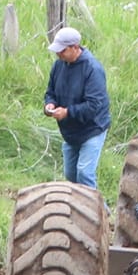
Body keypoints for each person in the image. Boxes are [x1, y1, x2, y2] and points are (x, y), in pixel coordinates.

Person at [43, 27, 111, 188]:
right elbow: (50, 91)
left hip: (92, 129)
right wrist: (49, 104)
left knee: (84, 173)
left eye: (62, 50)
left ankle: (94, 213)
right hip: (70, 132)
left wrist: (67, 112)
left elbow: (94, 105)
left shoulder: (93, 69)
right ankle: (93, 210)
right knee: (71, 175)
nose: (58, 54)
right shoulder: (58, 65)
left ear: (75, 47)